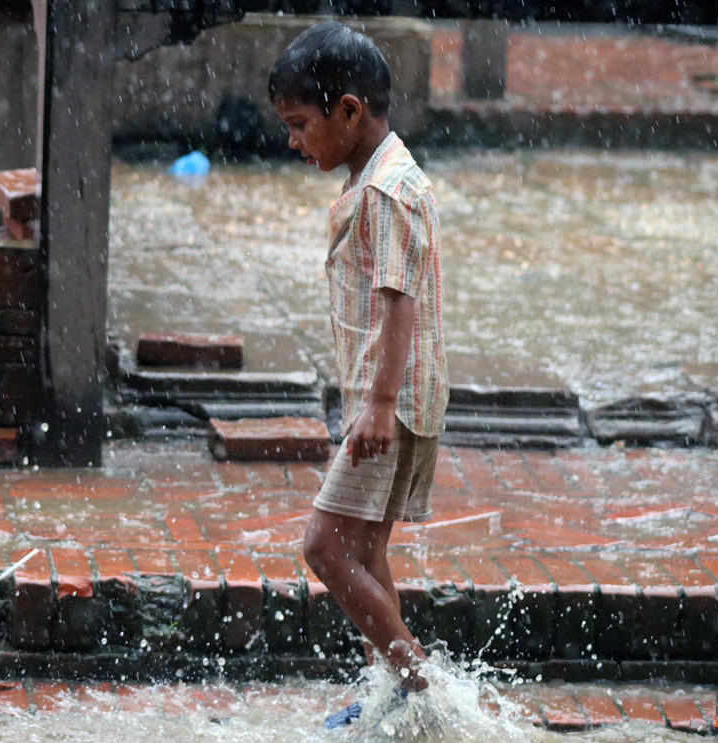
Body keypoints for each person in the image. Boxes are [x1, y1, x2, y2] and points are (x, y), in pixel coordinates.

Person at [268, 21, 450, 729]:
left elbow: (397, 297)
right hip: (403, 396)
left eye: (299, 125)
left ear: (348, 111)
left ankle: (422, 688)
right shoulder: (384, 175)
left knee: (322, 545)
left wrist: (376, 403)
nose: (293, 142)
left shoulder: (384, 195)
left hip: (393, 403)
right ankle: (393, 693)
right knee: (368, 551)